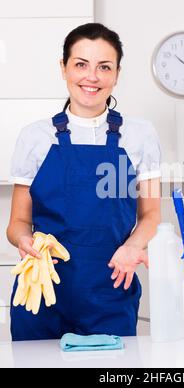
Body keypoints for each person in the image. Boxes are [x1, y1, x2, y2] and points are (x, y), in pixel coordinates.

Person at [6, 23, 161, 341]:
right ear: (63, 68)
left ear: (117, 74)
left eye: (104, 66)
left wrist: (133, 247)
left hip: (109, 291)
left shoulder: (140, 136)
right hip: (42, 291)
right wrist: (23, 240)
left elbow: (150, 216)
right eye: (81, 64)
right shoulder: (35, 137)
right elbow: (18, 223)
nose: (92, 77)